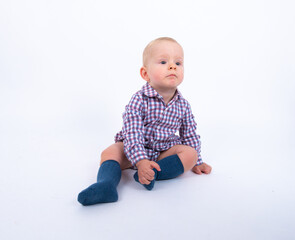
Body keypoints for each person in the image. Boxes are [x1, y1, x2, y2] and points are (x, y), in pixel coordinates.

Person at [77, 37, 212, 206]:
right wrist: (140, 160)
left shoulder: (183, 105)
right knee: (109, 152)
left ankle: (152, 174)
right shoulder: (138, 100)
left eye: (178, 63)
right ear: (145, 74)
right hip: (133, 149)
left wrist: (197, 161)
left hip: (163, 153)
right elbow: (132, 133)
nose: (172, 66)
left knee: (190, 153)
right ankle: (106, 185)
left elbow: (190, 134)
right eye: (163, 62)